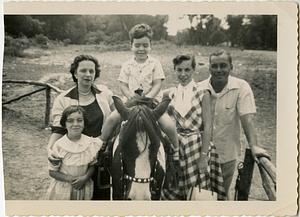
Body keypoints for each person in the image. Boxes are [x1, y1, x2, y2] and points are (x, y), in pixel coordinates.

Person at [198, 50, 270, 198]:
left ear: (231, 67)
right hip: (200, 153)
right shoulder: (198, 88)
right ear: (209, 68)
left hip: (226, 153)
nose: (219, 70)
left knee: (222, 195)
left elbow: (247, 119)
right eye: (214, 66)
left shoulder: (241, 87)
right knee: (199, 195)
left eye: (223, 65)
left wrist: (254, 145)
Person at [100, 23, 179, 156]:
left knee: (168, 124)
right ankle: (102, 144)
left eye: (145, 45)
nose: (141, 49)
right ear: (131, 45)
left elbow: (157, 84)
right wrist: (129, 95)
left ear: (150, 45)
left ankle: (175, 151)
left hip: (152, 103)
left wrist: (149, 97)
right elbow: (123, 85)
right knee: (112, 119)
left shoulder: (155, 63)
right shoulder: (127, 65)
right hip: (131, 103)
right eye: (137, 45)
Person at [46, 54, 114, 200]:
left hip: (100, 157)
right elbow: (58, 129)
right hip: (76, 159)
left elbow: (117, 117)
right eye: (83, 70)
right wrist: (49, 149)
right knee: (75, 196)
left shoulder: (105, 94)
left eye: (91, 71)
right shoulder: (63, 99)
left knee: (100, 197)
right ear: (75, 73)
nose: (88, 75)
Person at [161, 54, 226, 200]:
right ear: (174, 70)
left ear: (194, 70)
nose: (183, 74)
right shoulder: (170, 93)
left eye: (187, 70)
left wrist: (203, 157)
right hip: (175, 146)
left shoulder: (203, 93)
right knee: (173, 187)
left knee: (197, 193)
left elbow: (208, 126)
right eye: (179, 70)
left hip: (195, 148)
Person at [45, 105, 102, 200]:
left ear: (84, 123)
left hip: (83, 186)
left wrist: (85, 178)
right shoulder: (59, 146)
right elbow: (52, 172)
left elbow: (92, 165)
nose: (75, 124)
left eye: (79, 120)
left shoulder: (90, 144)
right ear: (64, 124)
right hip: (64, 188)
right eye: (70, 121)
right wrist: (71, 179)